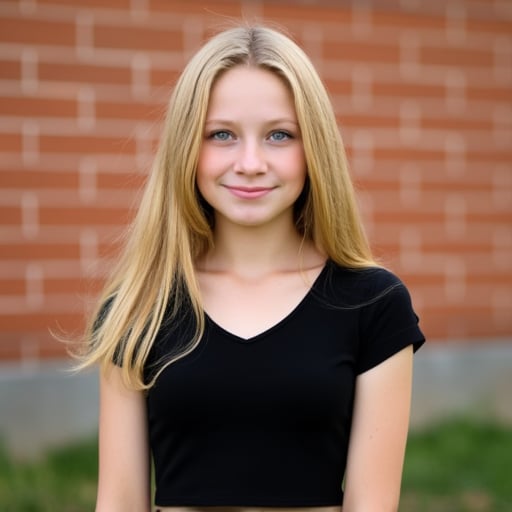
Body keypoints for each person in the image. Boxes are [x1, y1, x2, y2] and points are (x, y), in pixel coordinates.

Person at [76, 24, 425, 512]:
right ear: (186, 150)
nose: (250, 162)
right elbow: (119, 500)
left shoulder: (373, 304)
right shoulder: (139, 306)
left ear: (314, 150)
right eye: (222, 135)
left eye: (279, 135)